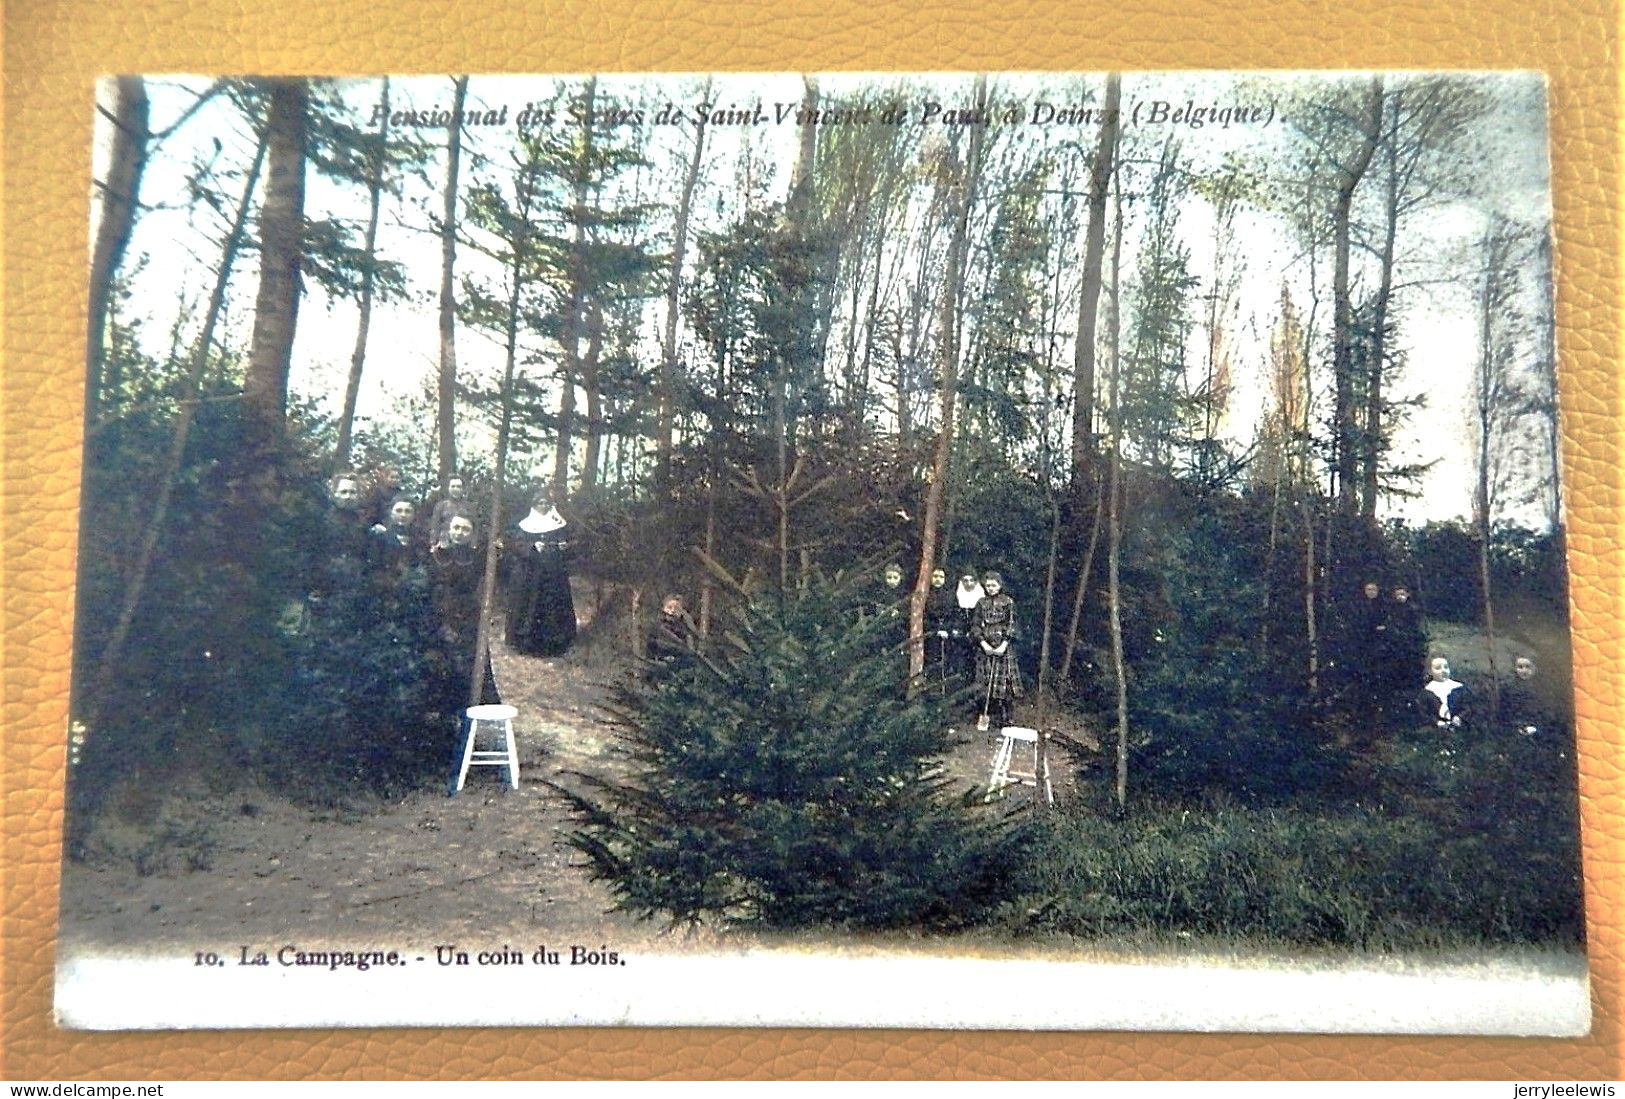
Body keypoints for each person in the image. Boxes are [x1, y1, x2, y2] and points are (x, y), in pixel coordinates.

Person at [429, 514, 501, 709]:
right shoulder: (436, 555)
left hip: (468, 615)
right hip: (441, 613)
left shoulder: (477, 558)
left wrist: (497, 552)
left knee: (472, 660)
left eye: (465, 529)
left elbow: (500, 571)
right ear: (449, 530)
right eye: (456, 528)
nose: (460, 533)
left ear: (472, 534)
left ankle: (474, 706)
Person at [503, 492, 576, 657]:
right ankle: (526, 643)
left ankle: (554, 643)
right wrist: (532, 547)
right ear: (533, 505)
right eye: (539, 503)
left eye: (546, 503)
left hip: (554, 572)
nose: (543, 506)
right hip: (530, 573)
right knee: (529, 605)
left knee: (553, 606)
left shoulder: (558, 523)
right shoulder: (524, 524)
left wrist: (565, 547)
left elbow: (571, 543)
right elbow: (515, 544)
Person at [970, 570, 1021, 730]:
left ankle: (1007, 717)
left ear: (1000, 586)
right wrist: (983, 643)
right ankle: (985, 715)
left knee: (1004, 683)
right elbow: (975, 625)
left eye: (994, 585)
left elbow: (1012, 625)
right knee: (984, 681)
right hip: (985, 647)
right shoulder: (981, 603)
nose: (991, 588)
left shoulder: (1008, 602)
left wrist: (1004, 645)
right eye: (988, 585)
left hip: (1003, 648)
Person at [367, 494, 422, 582]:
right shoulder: (380, 536)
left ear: (414, 515)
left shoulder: (420, 539)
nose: (403, 515)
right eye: (398, 511)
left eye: (408, 511)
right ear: (391, 512)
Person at [646, 593, 699, 672]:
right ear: (663, 608)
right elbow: (652, 646)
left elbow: (690, 650)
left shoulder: (685, 628)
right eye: (669, 607)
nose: (673, 611)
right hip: (660, 666)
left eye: (677, 608)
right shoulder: (658, 626)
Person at [923, 566, 958, 687]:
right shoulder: (925, 594)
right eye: (935, 576)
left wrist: (947, 629)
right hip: (931, 634)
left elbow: (955, 615)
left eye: (941, 577)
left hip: (947, 634)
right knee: (932, 661)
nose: (938, 579)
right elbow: (923, 617)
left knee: (948, 661)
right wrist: (936, 630)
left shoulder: (951, 596)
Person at [1417, 656, 1469, 730]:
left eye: (1446, 667)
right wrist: (1436, 722)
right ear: (1430, 671)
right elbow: (1423, 713)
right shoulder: (1427, 691)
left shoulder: (1459, 688)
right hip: (1434, 731)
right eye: (1438, 668)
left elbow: (1467, 707)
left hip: (1460, 729)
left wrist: (1459, 717)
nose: (1443, 671)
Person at [429, 475, 473, 550]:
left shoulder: (469, 507)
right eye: (453, 486)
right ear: (448, 488)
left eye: (458, 487)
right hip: (444, 541)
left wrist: (473, 544)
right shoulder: (441, 505)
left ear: (463, 489)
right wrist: (433, 542)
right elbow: (434, 525)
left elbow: (474, 526)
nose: (455, 489)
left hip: (463, 542)